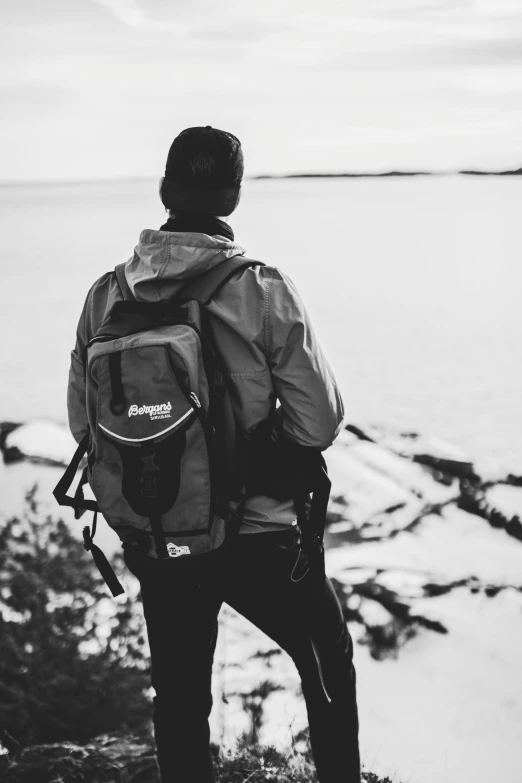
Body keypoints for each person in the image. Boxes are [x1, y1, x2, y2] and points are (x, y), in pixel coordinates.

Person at [67, 126, 360, 783]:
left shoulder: (106, 294)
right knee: (326, 659)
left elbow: (84, 426)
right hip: (260, 533)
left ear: (167, 190)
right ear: (233, 194)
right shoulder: (261, 287)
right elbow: (319, 423)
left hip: (158, 526)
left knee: (178, 692)